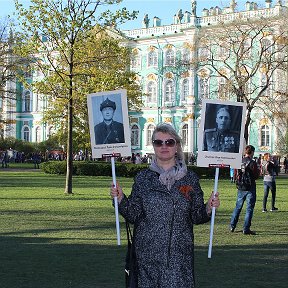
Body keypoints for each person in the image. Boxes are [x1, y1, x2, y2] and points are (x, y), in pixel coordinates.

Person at [110, 123, 220, 287]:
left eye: (169, 142)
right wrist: (120, 199)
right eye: (158, 142)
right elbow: (134, 214)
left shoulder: (190, 179)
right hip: (147, 259)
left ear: (177, 146)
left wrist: (208, 207)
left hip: (179, 258)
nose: (164, 146)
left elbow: (196, 216)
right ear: (153, 146)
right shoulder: (143, 178)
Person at [230, 145, 260, 235]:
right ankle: (246, 228)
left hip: (241, 186)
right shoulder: (252, 163)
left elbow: (236, 173)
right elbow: (256, 176)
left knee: (238, 207)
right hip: (250, 187)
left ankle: (232, 225)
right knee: (249, 209)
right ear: (252, 152)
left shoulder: (240, 161)